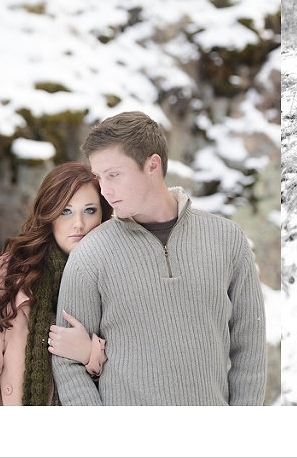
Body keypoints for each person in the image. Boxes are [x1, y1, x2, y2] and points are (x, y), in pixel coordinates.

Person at [52, 111, 267, 406]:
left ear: (152, 164)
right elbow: (67, 365)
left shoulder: (227, 239)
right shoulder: (90, 254)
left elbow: (250, 349)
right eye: (100, 178)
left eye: (114, 175)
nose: (105, 190)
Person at [0, 162, 113, 405]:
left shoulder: (115, 275)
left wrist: (90, 353)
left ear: (104, 215)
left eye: (90, 210)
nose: (79, 224)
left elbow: (133, 366)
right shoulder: (5, 275)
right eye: (66, 211)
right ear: (49, 215)